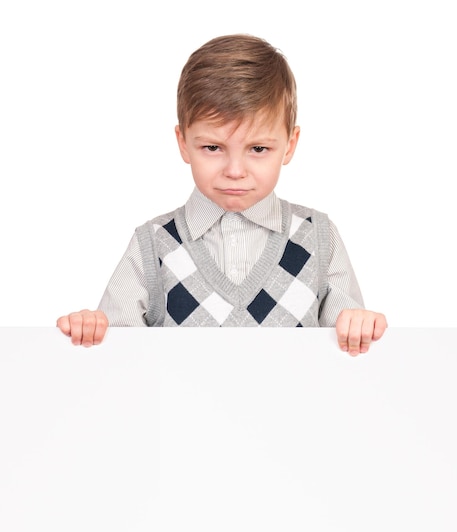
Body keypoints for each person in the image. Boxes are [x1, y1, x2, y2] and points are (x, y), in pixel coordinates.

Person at [57, 33, 387, 356]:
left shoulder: (318, 236)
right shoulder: (153, 245)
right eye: (213, 147)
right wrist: (93, 328)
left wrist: (358, 322)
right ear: (183, 143)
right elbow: (117, 352)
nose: (234, 169)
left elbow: (351, 343)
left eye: (258, 148)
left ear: (290, 145)